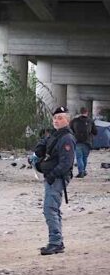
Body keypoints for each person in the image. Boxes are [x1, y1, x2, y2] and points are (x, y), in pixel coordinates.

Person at [35, 106, 75, 255]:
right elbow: (42, 149)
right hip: (51, 176)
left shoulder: (67, 138)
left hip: (57, 179)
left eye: (60, 118)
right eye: (55, 118)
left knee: (50, 209)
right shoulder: (55, 135)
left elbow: (66, 163)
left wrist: (52, 174)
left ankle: (55, 242)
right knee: (53, 209)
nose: (56, 121)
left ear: (67, 120)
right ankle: (57, 241)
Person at [70, 106, 97, 178]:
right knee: (84, 157)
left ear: (80, 112)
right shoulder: (90, 121)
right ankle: (83, 171)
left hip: (77, 141)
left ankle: (81, 172)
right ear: (87, 112)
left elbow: (70, 130)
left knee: (79, 157)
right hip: (87, 142)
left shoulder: (74, 121)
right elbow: (95, 132)